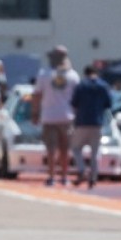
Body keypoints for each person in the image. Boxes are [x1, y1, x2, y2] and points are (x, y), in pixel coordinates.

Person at [32, 45, 80, 187]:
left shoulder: (44, 74)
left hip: (49, 116)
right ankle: (64, 176)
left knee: (51, 149)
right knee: (65, 149)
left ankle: (51, 176)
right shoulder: (73, 76)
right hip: (67, 117)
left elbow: (37, 95)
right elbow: (77, 99)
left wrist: (35, 113)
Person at [70, 65, 113, 189]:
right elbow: (108, 104)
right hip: (97, 122)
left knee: (76, 148)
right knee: (95, 151)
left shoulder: (81, 86)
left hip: (82, 122)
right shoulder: (103, 86)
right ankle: (93, 177)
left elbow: (74, 103)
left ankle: (82, 169)